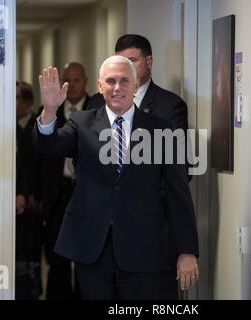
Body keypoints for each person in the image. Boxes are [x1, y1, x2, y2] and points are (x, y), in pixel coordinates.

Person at [33, 55, 199, 300]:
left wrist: (186, 250)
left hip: (144, 246)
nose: (117, 87)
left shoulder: (162, 129)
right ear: (100, 87)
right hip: (93, 245)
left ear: (135, 85)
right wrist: (49, 111)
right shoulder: (81, 122)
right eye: (110, 81)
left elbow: (178, 193)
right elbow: (49, 146)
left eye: (124, 81)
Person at [88, 34, 191, 299]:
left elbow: (178, 178)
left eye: (133, 61)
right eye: (122, 62)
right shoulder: (95, 104)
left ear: (149, 62)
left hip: (149, 234)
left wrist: (186, 248)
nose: (128, 69)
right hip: (101, 236)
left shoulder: (169, 107)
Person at [38, 62, 90, 300]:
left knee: (87, 260)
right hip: (58, 194)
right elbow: (38, 145)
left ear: (87, 81)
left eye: (77, 80)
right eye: (67, 80)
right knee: (57, 257)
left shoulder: (99, 107)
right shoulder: (50, 110)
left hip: (88, 194)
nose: (71, 85)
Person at [15, 81, 43, 299]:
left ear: (26, 103)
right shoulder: (10, 125)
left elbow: (36, 164)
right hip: (16, 198)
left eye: (15, 98)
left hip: (30, 198)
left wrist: (31, 192)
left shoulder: (38, 124)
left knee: (30, 248)